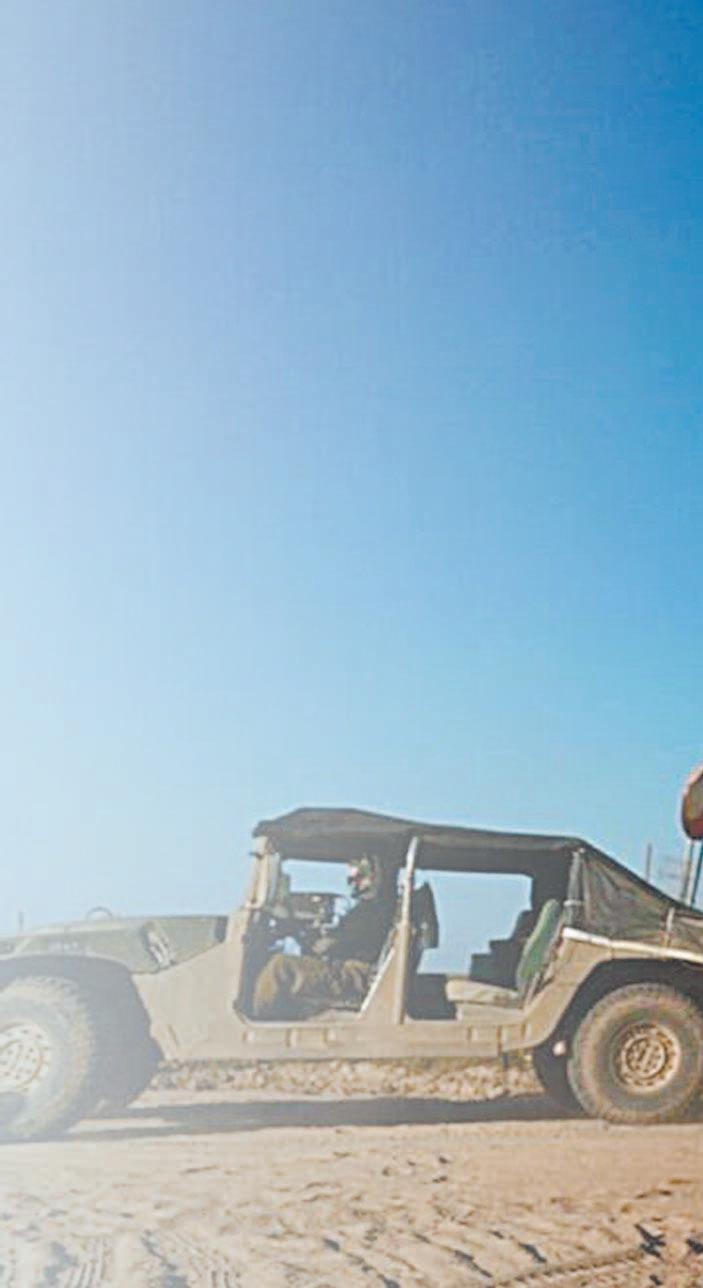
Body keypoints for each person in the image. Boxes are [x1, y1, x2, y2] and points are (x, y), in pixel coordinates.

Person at [252, 855, 398, 1020]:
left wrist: (294, 926)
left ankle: (259, 1022)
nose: (353, 882)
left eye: (360, 876)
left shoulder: (375, 911)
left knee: (279, 967)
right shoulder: (374, 908)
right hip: (353, 971)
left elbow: (324, 946)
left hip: (355, 975)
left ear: (377, 875)